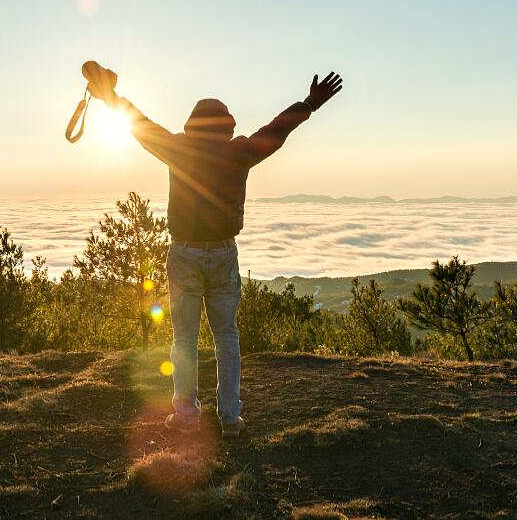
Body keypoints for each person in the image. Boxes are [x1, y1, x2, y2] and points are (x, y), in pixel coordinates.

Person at [83, 62, 343, 438]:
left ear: (191, 126)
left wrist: (110, 97)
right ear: (229, 127)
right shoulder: (239, 152)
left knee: (184, 339)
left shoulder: (177, 148)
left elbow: (139, 124)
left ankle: (187, 416)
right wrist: (309, 104)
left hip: (185, 253)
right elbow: (277, 129)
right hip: (223, 253)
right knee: (227, 338)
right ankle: (231, 418)